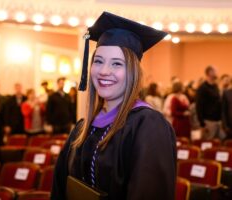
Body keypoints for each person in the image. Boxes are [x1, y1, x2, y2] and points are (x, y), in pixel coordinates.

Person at [51, 12, 176, 200]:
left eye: (117, 64)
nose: (104, 71)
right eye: (98, 61)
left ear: (133, 72)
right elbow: (60, 188)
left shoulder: (148, 125)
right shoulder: (83, 128)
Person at [196, 66, 223, 139]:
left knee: (217, 145)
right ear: (210, 73)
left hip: (218, 121)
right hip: (208, 122)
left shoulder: (215, 86)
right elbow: (199, 106)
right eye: (215, 71)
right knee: (208, 144)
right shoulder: (202, 88)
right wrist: (202, 124)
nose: (217, 73)